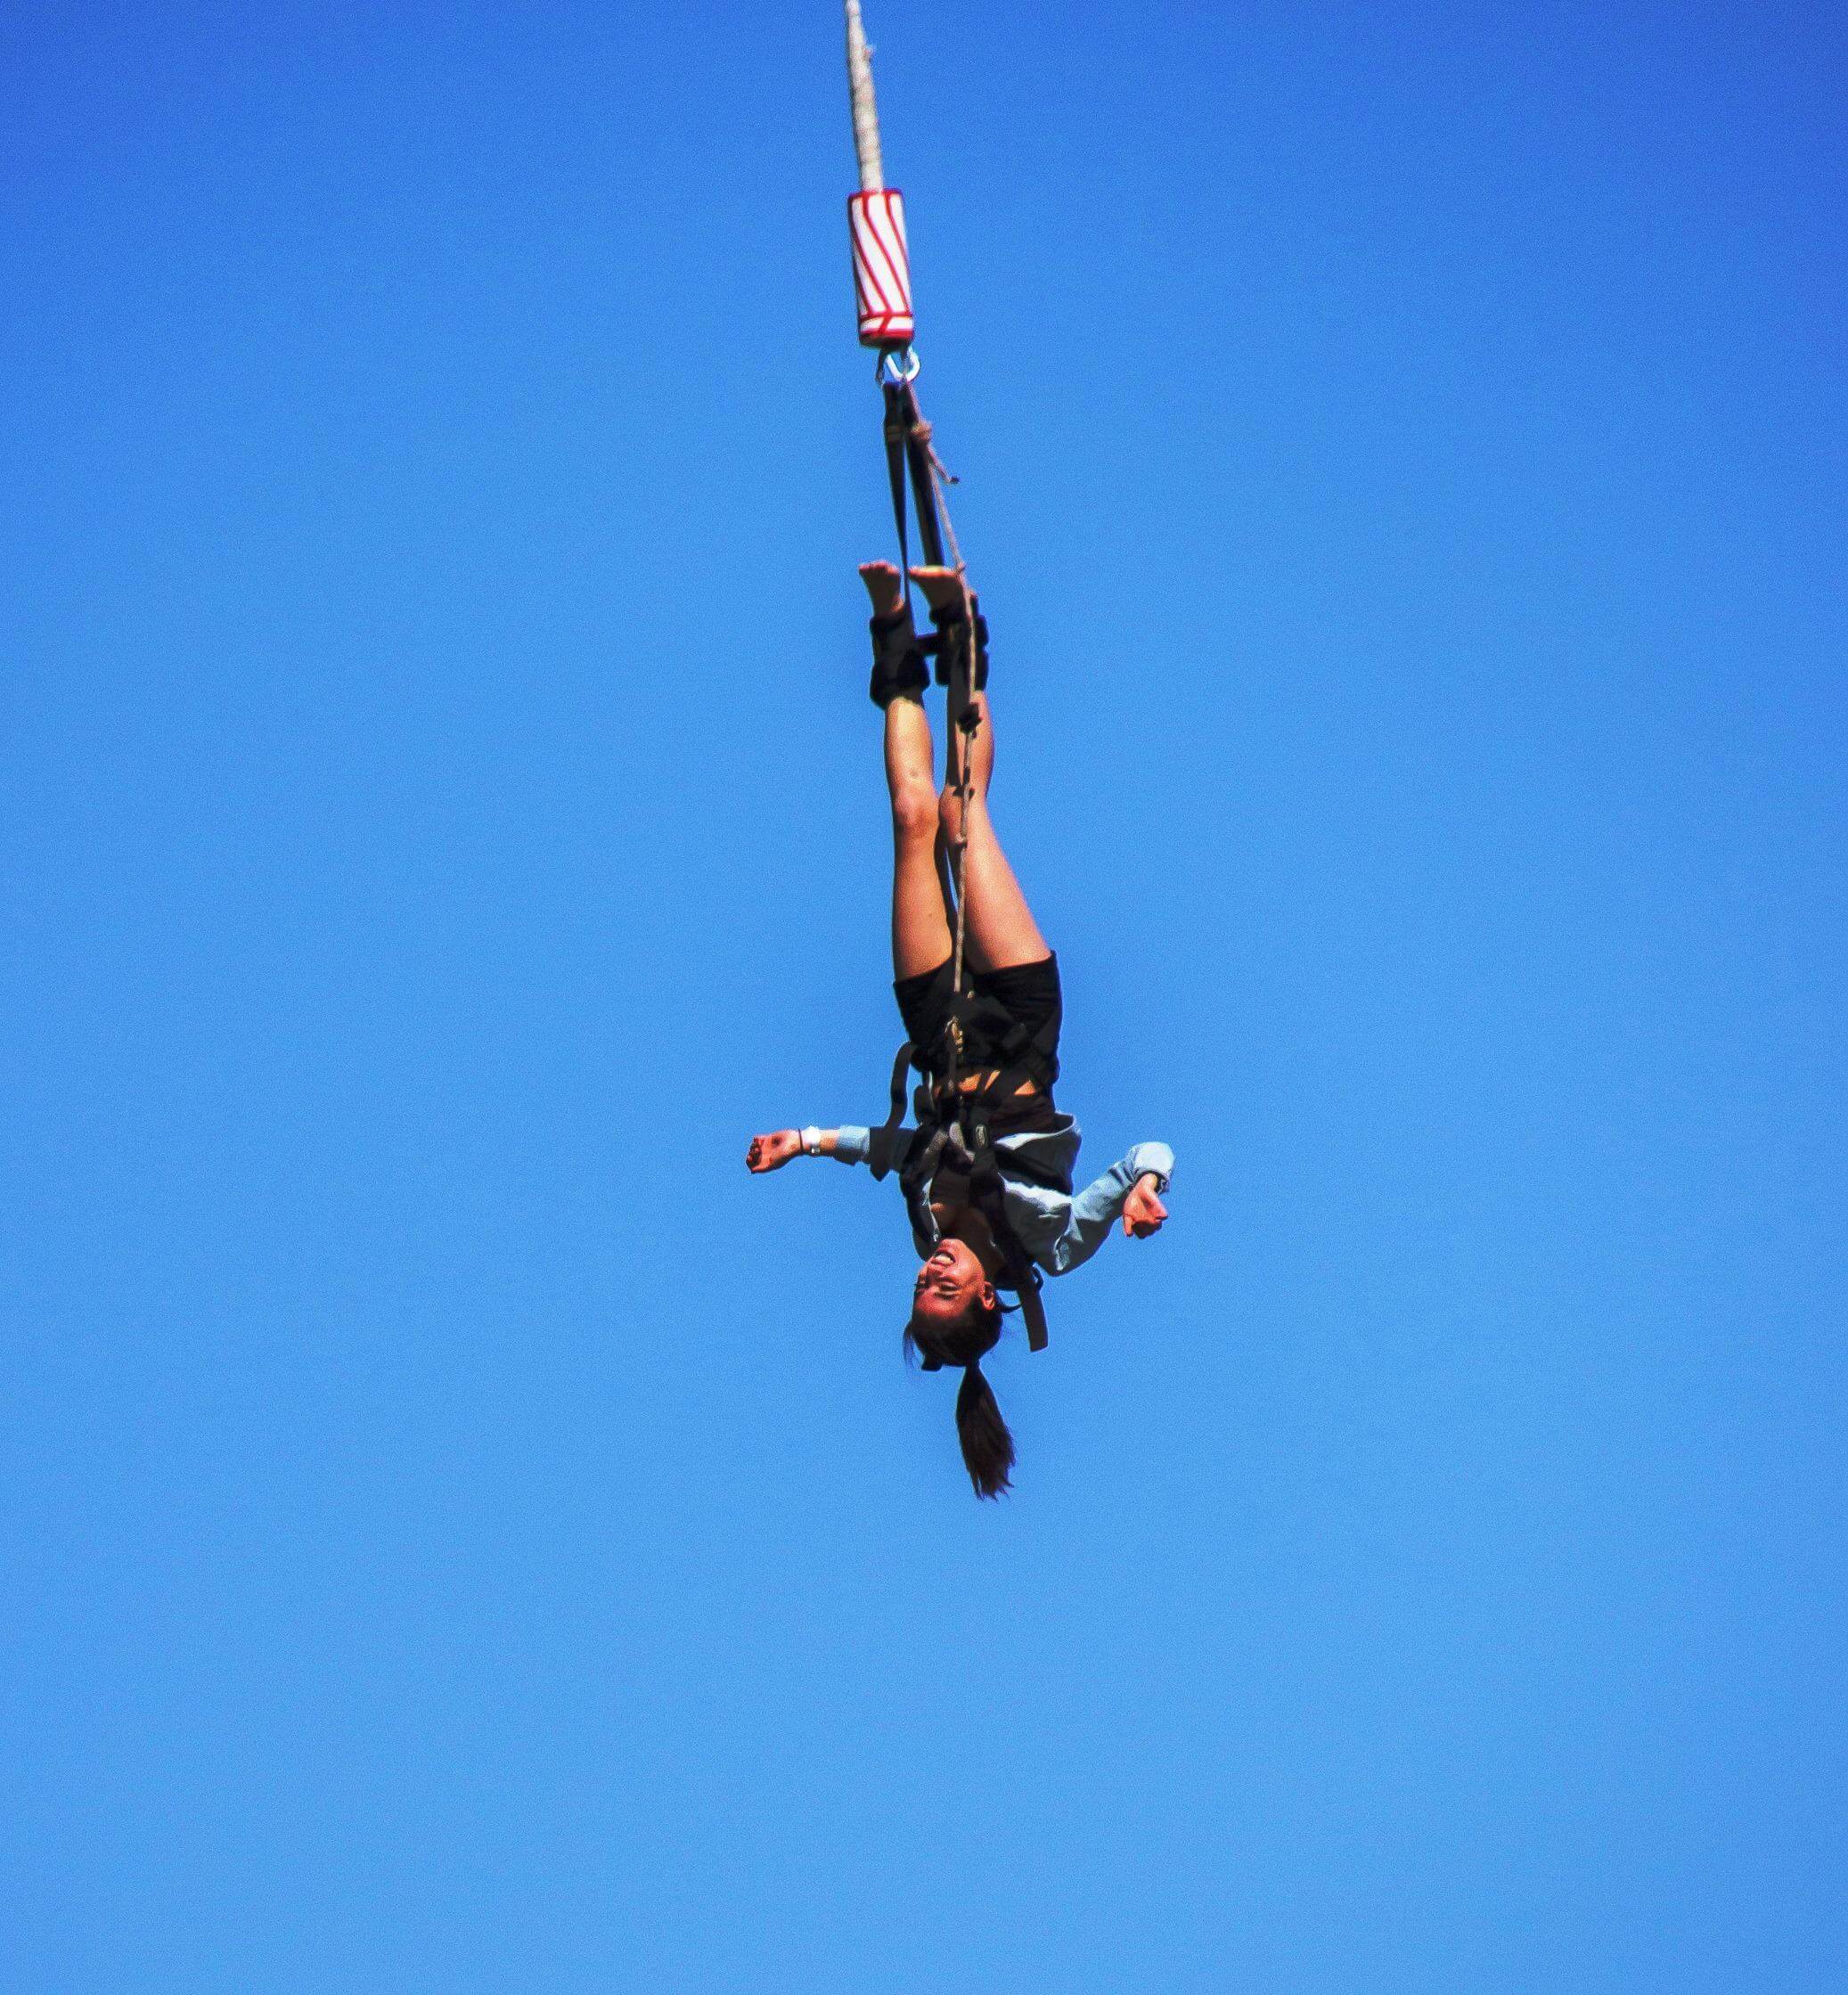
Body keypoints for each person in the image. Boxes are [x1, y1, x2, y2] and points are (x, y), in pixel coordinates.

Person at [746, 562, 1173, 1497]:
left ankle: (894, 642)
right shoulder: (1049, 1240)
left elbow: (897, 1149)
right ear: (984, 1297)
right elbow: (1148, 1144)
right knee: (960, 818)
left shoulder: (929, 1220)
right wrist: (1144, 1186)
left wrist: (808, 1141)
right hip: (1018, 1024)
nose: (931, 1268)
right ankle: (965, 641)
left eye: (919, 1285)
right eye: (943, 1286)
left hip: (937, 1032)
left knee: (908, 821)